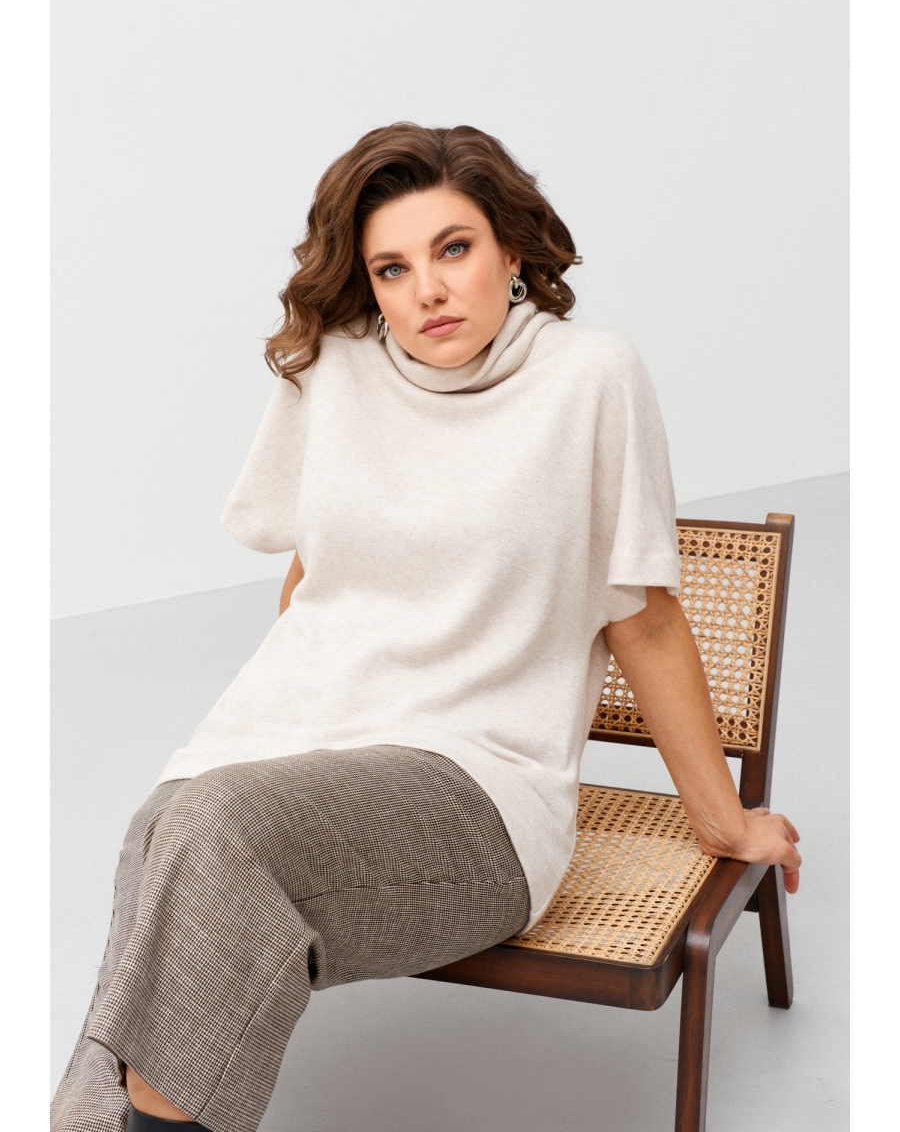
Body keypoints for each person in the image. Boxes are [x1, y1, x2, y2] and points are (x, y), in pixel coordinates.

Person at [52, 123, 801, 1132]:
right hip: (304, 746)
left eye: (454, 249)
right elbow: (315, 578)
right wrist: (293, 741)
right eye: (392, 268)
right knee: (165, 827)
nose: (427, 292)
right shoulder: (337, 369)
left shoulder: (590, 377)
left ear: (511, 250)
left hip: (478, 785)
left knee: (210, 829)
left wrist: (726, 824)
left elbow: (646, 619)